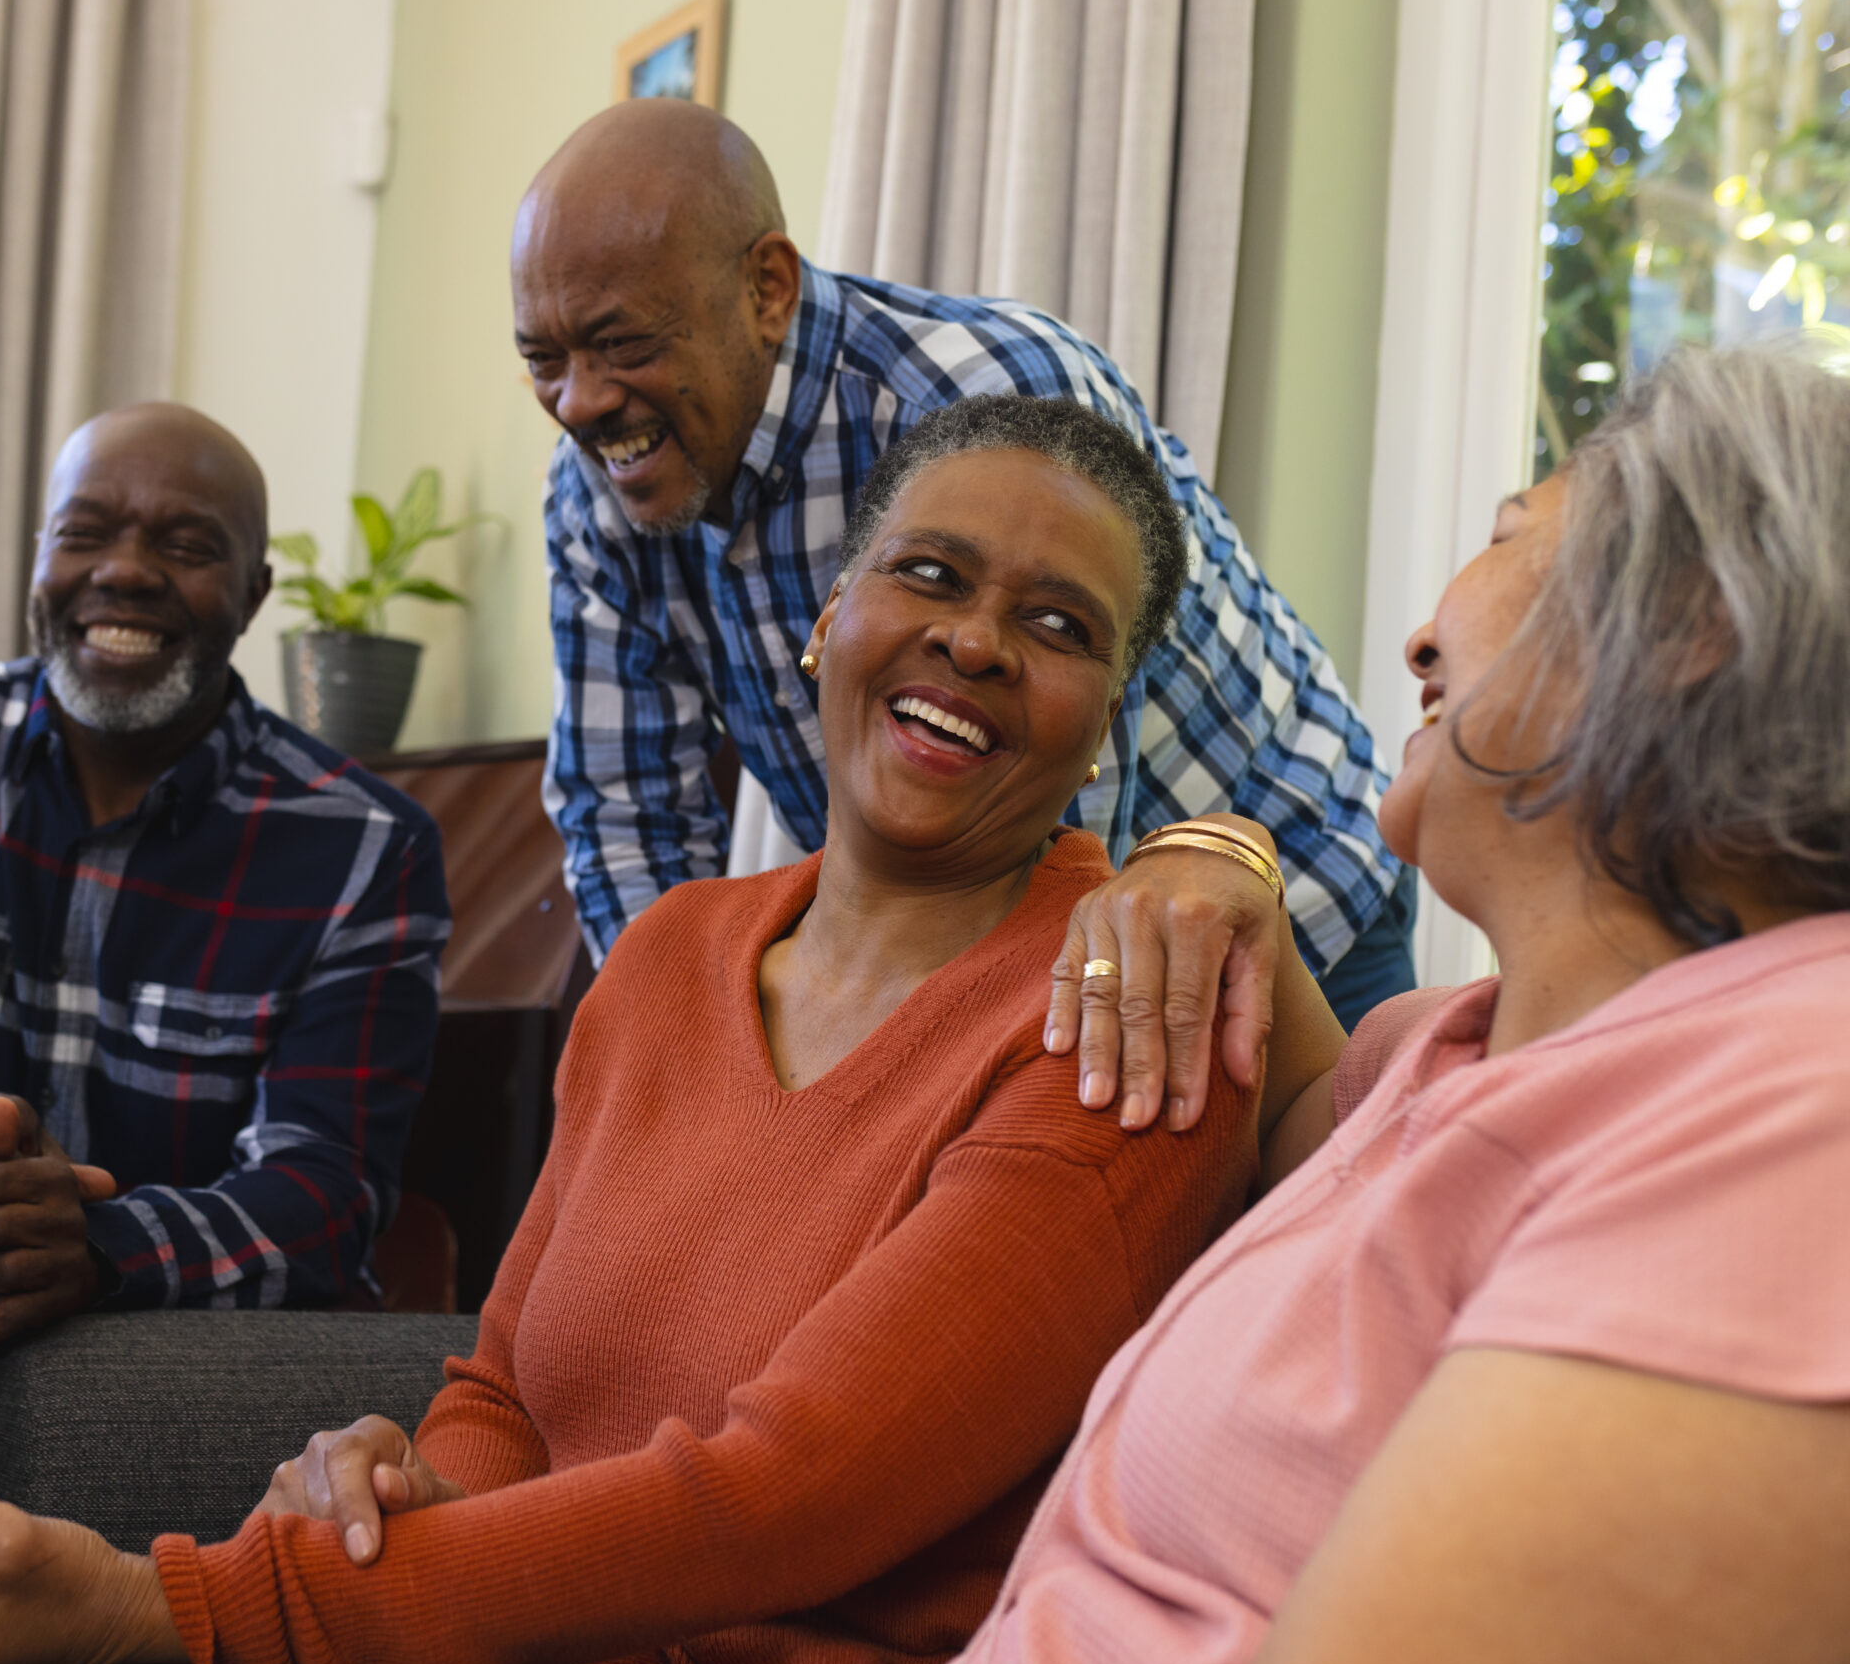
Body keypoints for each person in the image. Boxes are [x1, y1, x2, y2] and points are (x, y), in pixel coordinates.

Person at [0, 394, 1264, 1664]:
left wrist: (161, 1606)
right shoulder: (674, 955)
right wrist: (410, 1489)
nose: (978, 641)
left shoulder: (1128, 1017)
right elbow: (504, 1396)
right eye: (928, 574)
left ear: (1109, 716)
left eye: (1057, 624)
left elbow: (781, 1503)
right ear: (827, 625)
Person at [945, 343, 1850, 1664]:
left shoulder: (1790, 1108)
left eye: (1509, 541)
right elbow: (1310, 1115)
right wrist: (1222, 848)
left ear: (1688, 622)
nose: (1424, 636)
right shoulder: (1467, 1044)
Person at [524, 98, 1413, 1058]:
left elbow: (1063, 831)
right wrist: (684, 1066)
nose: (581, 402)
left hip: (1300, 906)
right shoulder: (598, 488)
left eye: (625, 347)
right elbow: (627, 811)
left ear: (767, 288)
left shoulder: (988, 394)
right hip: (1013, 948)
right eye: (544, 359)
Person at [0, 403, 449, 1344]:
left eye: (187, 545)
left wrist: (104, 1243)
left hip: (174, 1343)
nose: (125, 571)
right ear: (39, 559)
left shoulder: (367, 848)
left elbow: (324, 1191)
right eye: (84, 534)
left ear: (254, 594)